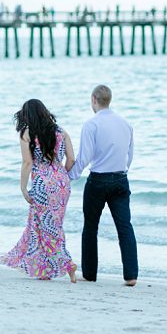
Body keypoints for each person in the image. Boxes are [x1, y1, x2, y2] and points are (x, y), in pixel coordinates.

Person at [68, 85, 138, 286]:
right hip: (120, 179)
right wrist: (122, 171)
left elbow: (85, 156)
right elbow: (129, 155)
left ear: (93, 100)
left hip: (98, 180)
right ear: (109, 99)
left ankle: (90, 274)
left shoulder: (91, 124)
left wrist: (70, 175)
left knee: (90, 227)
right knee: (125, 227)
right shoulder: (126, 123)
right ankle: (131, 275)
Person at [1, 99, 78, 283]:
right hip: (61, 182)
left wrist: (22, 187)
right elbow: (71, 160)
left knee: (44, 226)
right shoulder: (61, 131)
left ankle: (67, 263)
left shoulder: (27, 133)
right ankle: (44, 270)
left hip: (42, 183)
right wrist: (60, 176)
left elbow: (27, 162)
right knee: (51, 225)